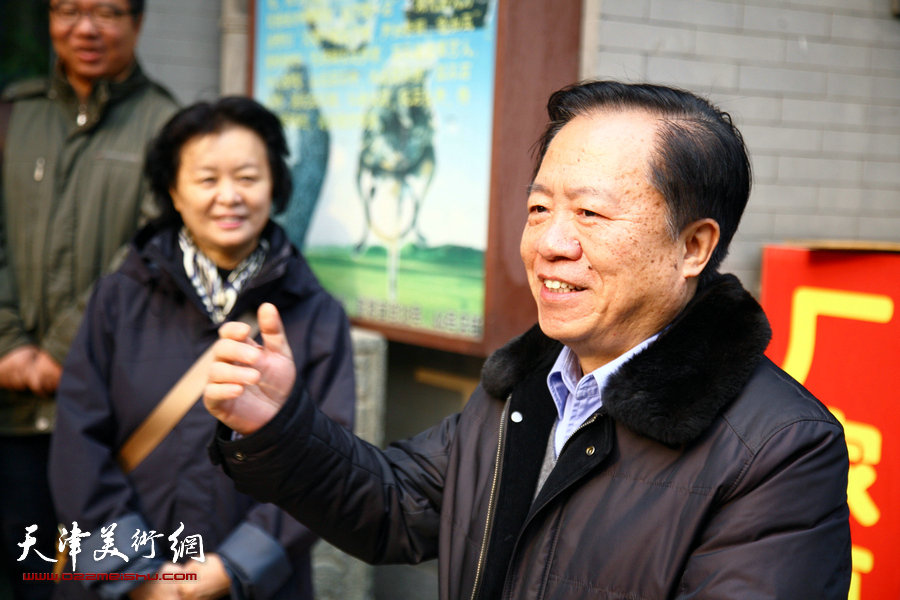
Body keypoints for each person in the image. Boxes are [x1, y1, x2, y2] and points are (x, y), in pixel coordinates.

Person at [203, 81, 852, 599]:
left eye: (591, 214)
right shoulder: (527, 387)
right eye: (540, 208)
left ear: (693, 246)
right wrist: (279, 427)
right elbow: (398, 509)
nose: (548, 245)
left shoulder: (780, 450)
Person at [47, 96, 356, 600]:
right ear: (173, 190)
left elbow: (328, 461)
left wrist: (233, 567)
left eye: (248, 178)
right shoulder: (119, 298)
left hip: (255, 588)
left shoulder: (316, 314)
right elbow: (78, 440)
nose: (229, 196)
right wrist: (137, 574)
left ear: (275, 185)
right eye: (207, 179)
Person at [0, 1, 177, 597]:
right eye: (68, 9)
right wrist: (8, 344)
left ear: (137, 21)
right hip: (10, 407)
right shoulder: (12, 114)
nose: (86, 28)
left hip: (104, 412)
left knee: (95, 578)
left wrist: (59, 352)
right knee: (25, 574)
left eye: (106, 11)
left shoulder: (167, 125)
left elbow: (149, 252)